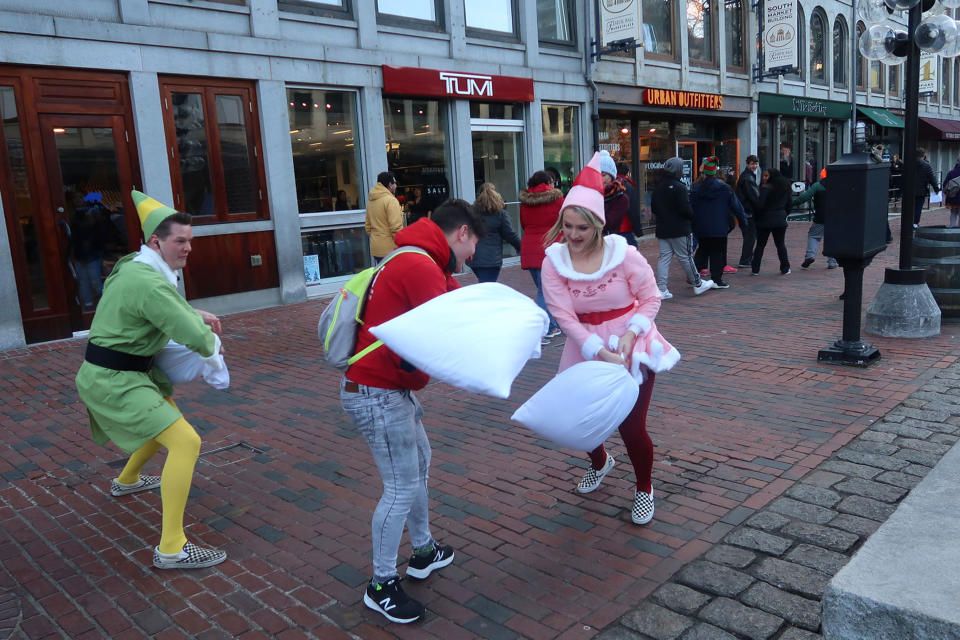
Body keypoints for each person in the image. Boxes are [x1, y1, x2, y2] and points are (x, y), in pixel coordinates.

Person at [341, 199, 484, 624]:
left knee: (420, 463)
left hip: (387, 389)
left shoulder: (417, 258)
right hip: (377, 391)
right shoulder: (420, 266)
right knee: (401, 486)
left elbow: (457, 307)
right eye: (473, 245)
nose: (472, 256)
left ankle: (423, 551)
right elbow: (449, 329)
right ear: (461, 234)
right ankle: (381, 584)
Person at [75, 190, 226, 571]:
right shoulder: (151, 281)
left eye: (191, 241)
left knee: (163, 425)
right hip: (116, 379)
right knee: (186, 441)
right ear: (156, 242)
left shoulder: (133, 265)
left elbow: (152, 305)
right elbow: (193, 336)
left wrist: (191, 311)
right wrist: (212, 348)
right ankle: (172, 548)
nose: (188, 248)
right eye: (180, 241)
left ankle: (126, 481)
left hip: (121, 374)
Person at [541, 152, 679, 526]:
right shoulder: (554, 261)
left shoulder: (624, 255)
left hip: (632, 342)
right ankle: (601, 462)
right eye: (566, 226)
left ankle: (644, 488)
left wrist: (632, 335)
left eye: (580, 229)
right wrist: (594, 349)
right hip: (585, 345)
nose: (572, 235)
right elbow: (563, 314)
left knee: (630, 426)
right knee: (582, 420)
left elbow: (651, 298)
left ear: (598, 227)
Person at [651, 156, 713, 299]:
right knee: (686, 257)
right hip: (680, 228)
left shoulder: (658, 187)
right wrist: (691, 216)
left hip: (663, 228)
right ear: (678, 170)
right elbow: (686, 210)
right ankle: (697, 283)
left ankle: (661, 289)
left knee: (664, 258)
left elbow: (654, 209)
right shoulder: (680, 187)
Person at [519, 170, 563, 341]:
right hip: (550, 247)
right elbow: (564, 221)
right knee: (546, 291)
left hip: (529, 249)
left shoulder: (525, 203)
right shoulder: (558, 200)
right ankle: (545, 328)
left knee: (543, 289)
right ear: (548, 183)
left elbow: (524, 224)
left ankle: (551, 322)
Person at [690, 156, 747, 290]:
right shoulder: (725, 188)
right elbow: (737, 207)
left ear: (704, 173)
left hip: (701, 226)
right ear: (714, 172)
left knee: (702, 250)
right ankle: (717, 279)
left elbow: (690, 208)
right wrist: (744, 222)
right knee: (717, 253)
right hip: (719, 226)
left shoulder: (696, 189)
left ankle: (693, 275)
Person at [467, 182, 521, 283]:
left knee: (484, 284)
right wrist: (521, 247)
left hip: (474, 257)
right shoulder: (500, 214)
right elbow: (509, 234)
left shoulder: (472, 212)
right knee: (487, 287)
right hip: (491, 259)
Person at [72, 192, 111, 309]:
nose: (77, 200)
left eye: (79, 197)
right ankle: (88, 306)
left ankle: (107, 306)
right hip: (79, 253)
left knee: (95, 282)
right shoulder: (73, 214)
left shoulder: (92, 213)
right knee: (83, 282)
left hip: (92, 253)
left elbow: (98, 232)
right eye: (75, 198)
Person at [795, 168, 838, 270]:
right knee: (831, 238)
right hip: (835, 218)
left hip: (820, 217)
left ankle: (810, 256)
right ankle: (832, 262)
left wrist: (791, 203)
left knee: (813, 236)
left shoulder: (817, 186)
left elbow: (804, 198)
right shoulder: (839, 186)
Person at [752, 168, 792, 275]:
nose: (764, 178)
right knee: (780, 244)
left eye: (766, 176)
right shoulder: (786, 187)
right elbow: (789, 204)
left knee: (760, 245)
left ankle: (755, 269)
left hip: (765, 219)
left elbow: (760, 205)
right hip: (780, 219)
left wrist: (757, 216)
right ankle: (785, 267)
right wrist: (784, 214)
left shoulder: (766, 188)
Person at [365, 171, 403, 263]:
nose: (396, 186)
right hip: (390, 249)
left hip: (376, 249)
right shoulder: (391, 201)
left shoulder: (371, 201)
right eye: (395, 183)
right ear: (390, 185)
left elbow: (368, 228)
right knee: (394, 276)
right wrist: (402, 244)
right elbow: (396, 227)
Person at [735, 155, 761, 268]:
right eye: (752, 164)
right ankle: (745, 259)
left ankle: (747, 258)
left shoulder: (747, 176)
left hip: (745, 210)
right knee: (750, 236)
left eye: (756, 164)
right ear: (747, 164)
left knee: (749, 236)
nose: (754, 166)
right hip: (748, 211)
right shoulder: (748, 178)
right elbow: (754, 197)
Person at [598, 150, 628, 237]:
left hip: (609, 241)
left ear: (611, 176)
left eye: (603, 175)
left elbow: (608, 222)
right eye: (597, 174)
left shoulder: (621, 198)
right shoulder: (590, 193)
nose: (600, 178)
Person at [617, 161, 644, 246]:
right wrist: (638, 230)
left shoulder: (611, 185)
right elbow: (632, 210)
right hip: (625, 229)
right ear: (627, 172)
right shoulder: (627, 186)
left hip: (612, 229)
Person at [914, 148, 940, 228]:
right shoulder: (926, 165)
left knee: (910, 207)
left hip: (909, 190)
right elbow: (932, 178)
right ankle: (915, 223)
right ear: (923, 155)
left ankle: (908, 223)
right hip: (921, 190)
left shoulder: (909, 163)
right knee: (918, 208)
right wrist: (936, 189)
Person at [944, 155, 960, 228]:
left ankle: (952, 226)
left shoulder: (951, 172)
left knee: (953, 212)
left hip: (953, 197)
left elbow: (945, 185)